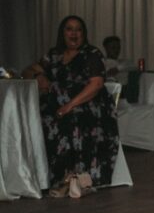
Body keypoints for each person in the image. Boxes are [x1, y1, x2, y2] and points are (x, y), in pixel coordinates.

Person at [22, 16, 119, 197]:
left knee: (70, 119)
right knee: (38, 118)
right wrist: (39, 76)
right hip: (58, 104)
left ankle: (70, 178)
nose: (74, 33)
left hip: (88, 105)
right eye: (69, 29)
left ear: (84, 34)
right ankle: (42, 177)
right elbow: (28, 70)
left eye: (78, 29)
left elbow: (96, 84)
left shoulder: (91, 53)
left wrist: (68, 106)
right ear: (62, 33)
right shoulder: (54, 54)